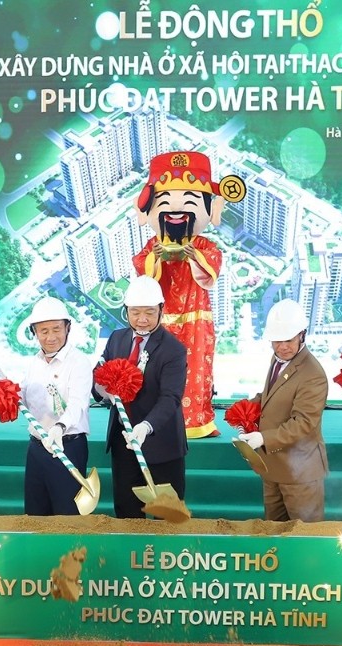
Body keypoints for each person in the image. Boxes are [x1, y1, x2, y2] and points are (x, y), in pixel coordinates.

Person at [132, 150, 243, 439]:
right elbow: (143, 273)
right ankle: (157, 423)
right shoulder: (153, 245)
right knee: (158, 372)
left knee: (196, 371)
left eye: (191, 201)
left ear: (211, 210)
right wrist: (157, 257)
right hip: (160, 323)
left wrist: (194, 256)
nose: (177, 211)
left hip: (196, 322)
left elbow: (211, 271)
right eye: (165, 202)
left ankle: (199, 423)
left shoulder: (204, 246)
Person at [97, 275, 187, 518]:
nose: (142, 319)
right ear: (126, 310)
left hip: (160, 443)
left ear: (161, 310)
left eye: (149, 312)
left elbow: (170, 397)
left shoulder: (173, 349)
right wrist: (103, 390)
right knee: (126, 512)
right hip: (123, 441)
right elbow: (100, 374)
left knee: (167, 517)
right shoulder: (117, 338)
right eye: (135, 312)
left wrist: (146, 426)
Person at [236, 299, 328, 522]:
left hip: (300, 473)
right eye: (277, 341)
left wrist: (263, 438)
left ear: (302, 335)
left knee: (304, 536)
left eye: (289, 340)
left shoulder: (313, 374)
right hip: (272, 467)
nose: (283, 346)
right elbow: (273, 394)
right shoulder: (278, 359)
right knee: (273, 530)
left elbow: (303, 423)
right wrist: (246, 410)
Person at [21, 296, 92, 515]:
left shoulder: (79, 362)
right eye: (44, 331)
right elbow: (23, 400)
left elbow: (78, 403)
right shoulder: (33, 363)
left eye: (56, 329)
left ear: (68, 328)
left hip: (68, 446)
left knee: (67, 516)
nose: (51, 337)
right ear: (34, 332)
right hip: (37, 448)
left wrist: (59, 427)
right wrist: (2, 387)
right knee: (35, 514)